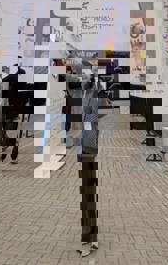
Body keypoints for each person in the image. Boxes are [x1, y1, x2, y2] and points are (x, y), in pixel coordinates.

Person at [77, 63, 101, 257]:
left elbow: (92, 123)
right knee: (86, 193)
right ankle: (88, 233)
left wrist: (87, 150)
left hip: (89, 148)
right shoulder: (85, 94)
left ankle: (91, 236)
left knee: (89, 192)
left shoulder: (93, 96)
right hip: (85, 147)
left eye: (84, 76)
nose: (81, 79)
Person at [0, 62, 28, 163]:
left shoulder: (11, 77)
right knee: (18, 131)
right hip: (22, 108)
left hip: (12, 107)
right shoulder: (24, 78)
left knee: (10, 128)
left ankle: (5, 152)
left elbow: (2, 83)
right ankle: (14, 153)